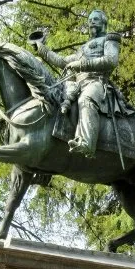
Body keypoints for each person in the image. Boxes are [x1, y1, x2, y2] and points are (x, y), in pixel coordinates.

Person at [32, 10, 121, 158]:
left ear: (104, 23)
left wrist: (81, 65)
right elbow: (62, 62)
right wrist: (41, 48)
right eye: (90, 19)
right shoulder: (83, 49)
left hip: (96, 82)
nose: (92, 22)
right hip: (76, 84)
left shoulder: (109, 40)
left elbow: (111, 60)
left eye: (96, 19)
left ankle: (86, 143)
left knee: (85, 100)